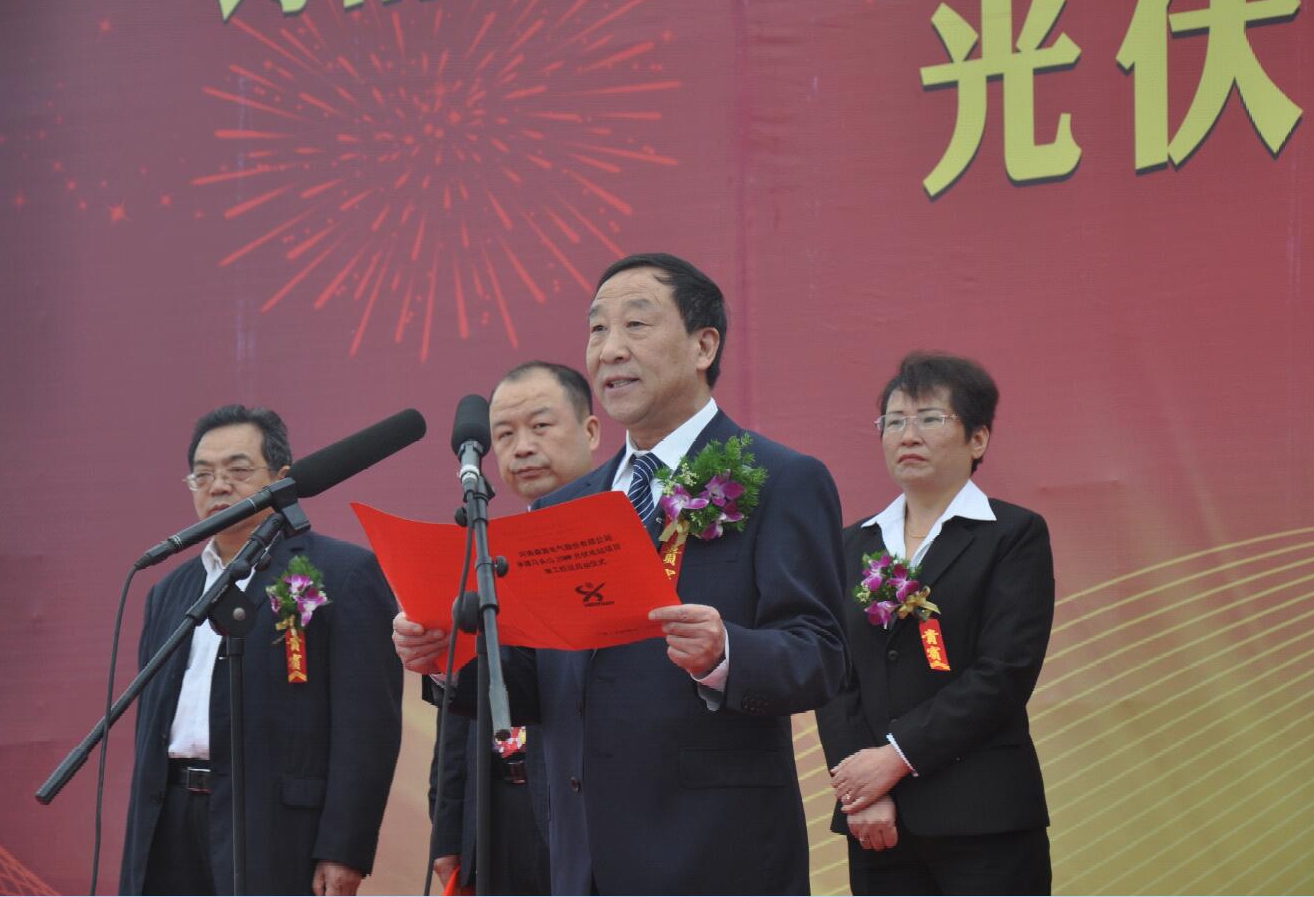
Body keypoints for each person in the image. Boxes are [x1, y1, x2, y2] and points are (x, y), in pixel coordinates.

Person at [394, 252, 847, 895]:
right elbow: (536, 682)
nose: (609, 350)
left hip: (716, 855)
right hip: (583, 857)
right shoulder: (563, 507)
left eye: (636, 324)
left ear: (703, 345)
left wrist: (726, 653)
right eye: (597, 330)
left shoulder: (781, 479)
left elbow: (821, 655)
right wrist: (451, 657)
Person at [120, 405, 403, 896]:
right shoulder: (168, 591)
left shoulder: (342, 573)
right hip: (170, 820)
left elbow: (367, 726)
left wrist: (344, 846)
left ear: (281, 478)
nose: (218, 486)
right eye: (203, 475)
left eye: (237, 470)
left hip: (276, 827)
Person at [814, 353, 1055, 895]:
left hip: (984, 814)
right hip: (878, 821)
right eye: (894, 421)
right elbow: (835, 674)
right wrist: (862, 788)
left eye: (929, 418)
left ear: (978, 439)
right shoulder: (851, 545)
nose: (908, 435)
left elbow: (1004, 673)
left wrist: (895, 759)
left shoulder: (1012, 535)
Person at [423, 361, 600, 894]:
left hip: (586, 811)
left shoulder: (616, 536)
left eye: (540, 427)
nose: (522, 448)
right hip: (496, 814)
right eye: (504, 435)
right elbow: (458, 727)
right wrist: (447, 832)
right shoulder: (487, 547)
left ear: (591, 431)